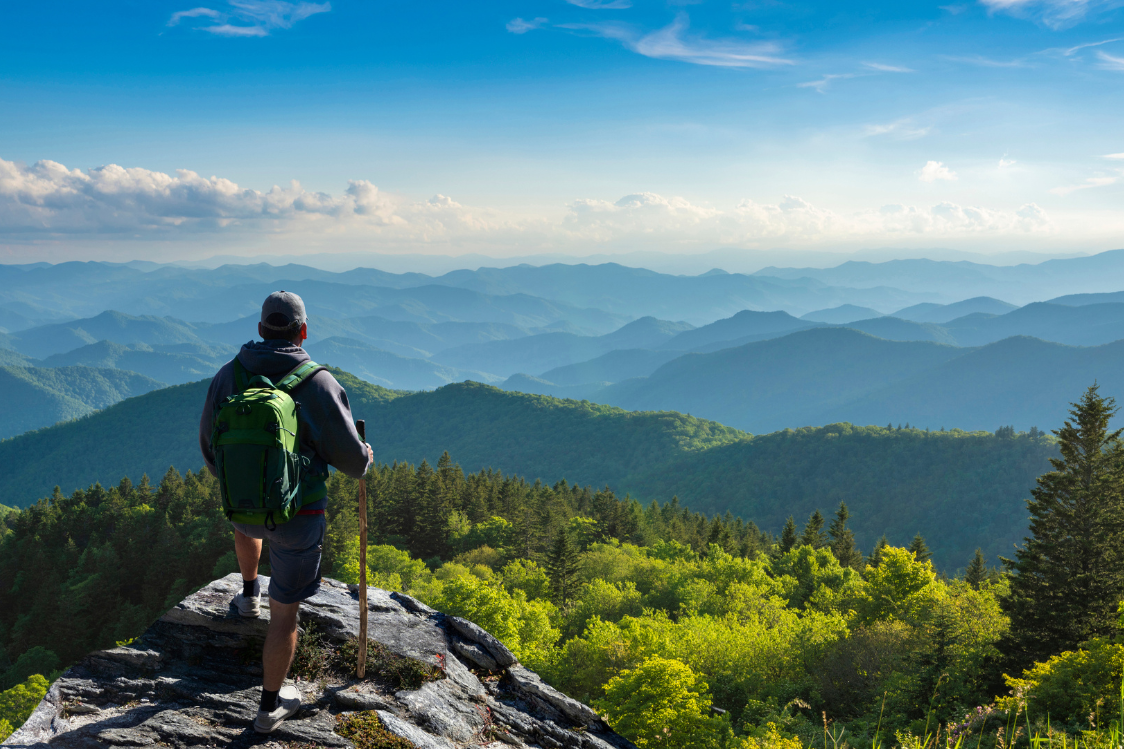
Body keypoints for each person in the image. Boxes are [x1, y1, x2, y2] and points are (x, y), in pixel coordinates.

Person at [199, 290, 372, 734]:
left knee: (248, 524)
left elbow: (209, 448)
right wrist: (366, 454)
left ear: (260, 330)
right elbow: (353, 463)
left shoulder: (227, 376)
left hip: (241, 509)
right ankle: (269, 708)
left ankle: (248, 593)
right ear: (303, 331)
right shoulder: (318, 383)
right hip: (300, 517)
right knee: (286, 615)